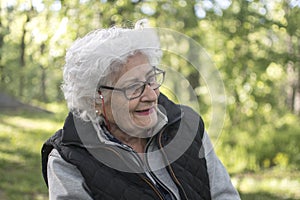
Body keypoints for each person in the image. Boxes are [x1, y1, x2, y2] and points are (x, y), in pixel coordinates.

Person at [41, 20, 240, 200]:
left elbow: (224, 195)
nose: (152, 96)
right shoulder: (67, 159)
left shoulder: (187, 124)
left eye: (151, 80)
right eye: (133, 87)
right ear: (96, 99)